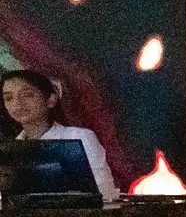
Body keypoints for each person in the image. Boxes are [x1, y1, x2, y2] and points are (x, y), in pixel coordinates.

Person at [2, 68, 119, 201]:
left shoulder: (79, 137)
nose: (17, 104)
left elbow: (105, 192)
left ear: (50, 100)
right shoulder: (10, 149)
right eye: (9, 98)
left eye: (28, 95)